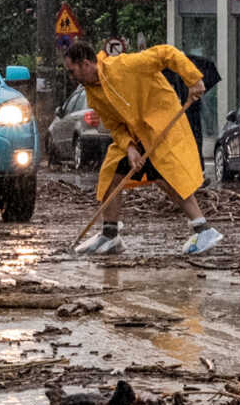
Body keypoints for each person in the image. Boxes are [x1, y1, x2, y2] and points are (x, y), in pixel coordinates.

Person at [65, 40, 218, 256]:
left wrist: (193, 79)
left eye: (72, 71)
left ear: (86, 64)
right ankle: (110, 235)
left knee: (168, 177)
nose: (71, 77)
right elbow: (113, 125)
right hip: (134, 135)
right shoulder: (93, 92)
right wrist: (128, 147)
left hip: (160, 125)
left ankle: (203, 229)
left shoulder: (125, 65)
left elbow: (166, 53)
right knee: (111, 174)